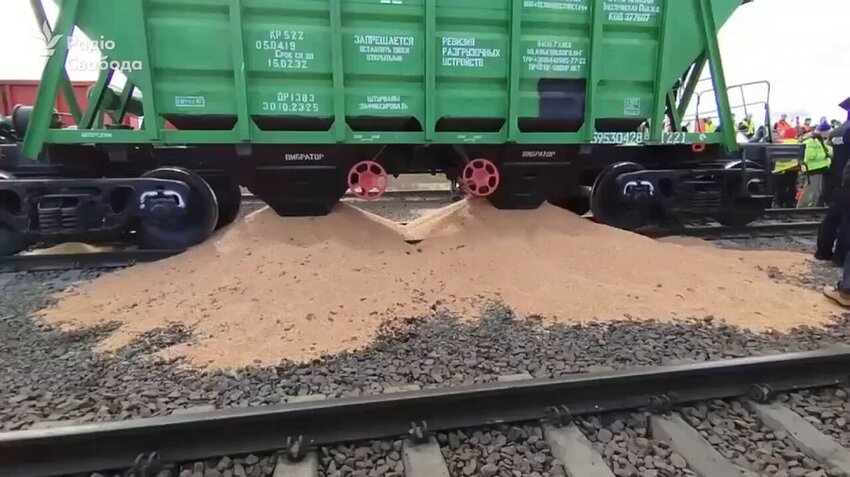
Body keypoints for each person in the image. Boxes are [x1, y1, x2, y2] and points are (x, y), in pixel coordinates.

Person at [797, 123, 833, 207]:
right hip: (813, 169)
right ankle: (801, 208)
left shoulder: (819, 140)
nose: (829, 134)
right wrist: (825, 155)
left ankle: (812, 207)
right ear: (823, 132)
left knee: (817, 190)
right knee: (809, 190)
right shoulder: (811, 141)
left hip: (819, 169)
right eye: (828, 132)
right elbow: (810, 156)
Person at [773, 127, 802, 208]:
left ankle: (779, 202)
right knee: (792, 186)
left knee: (781, 187)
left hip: (781, 169)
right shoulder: (798, 143)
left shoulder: (780, 143)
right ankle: (790, 203)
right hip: (794, 169)